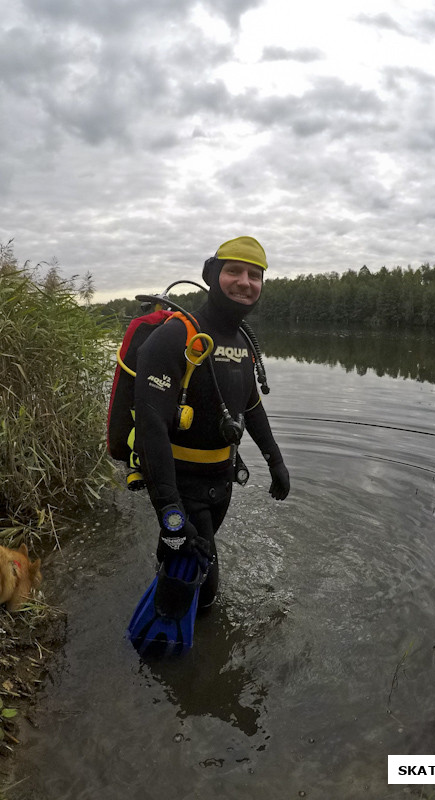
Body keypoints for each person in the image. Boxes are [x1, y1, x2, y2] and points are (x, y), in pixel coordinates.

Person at [133, 236, 290, 608]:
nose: (244, 281)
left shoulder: (242, 341)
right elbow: (151, 428)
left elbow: (250, 404)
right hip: (183, 486)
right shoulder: (176, 337)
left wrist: (275, 460)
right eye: (233, 271)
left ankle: (166, 580)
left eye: (255, 275)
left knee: (182, 565)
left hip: (220, 482)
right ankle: (167, 651)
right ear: (210, 274)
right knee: (204, 592)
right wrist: (171, 515)